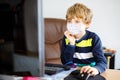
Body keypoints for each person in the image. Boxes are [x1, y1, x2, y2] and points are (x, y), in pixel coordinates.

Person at [60, 3, 107, 76]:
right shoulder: (67, 38)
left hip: (89, 73)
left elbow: (102, 62)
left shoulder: (93, 38)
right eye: (69, 21)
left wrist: (96, 69)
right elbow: (65, 62)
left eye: (77, 22)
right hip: (73, 73)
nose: (72, 25)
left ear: (87, 23)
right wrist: (71, 44)